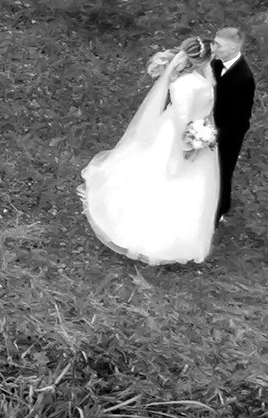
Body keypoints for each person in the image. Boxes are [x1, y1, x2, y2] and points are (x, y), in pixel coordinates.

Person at [78, 37, 221, 267]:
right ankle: (156, 237)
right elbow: (182, 118)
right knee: (167, 180)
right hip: (178, 136)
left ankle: (182, 236)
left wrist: (203, 130)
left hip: (196, 129)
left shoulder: (200, 78)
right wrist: (188, 144)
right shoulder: (185, 84)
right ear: (203, 59)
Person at [209, 25, 255, 219]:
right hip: (209, 123)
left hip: (228, 135)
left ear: (233, 50)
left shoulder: (244, 78)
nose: (213, 48)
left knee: (222, 170)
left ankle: (220, 209)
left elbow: (241, 118)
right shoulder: (216, 63)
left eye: (218, 45)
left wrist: (217, 134)